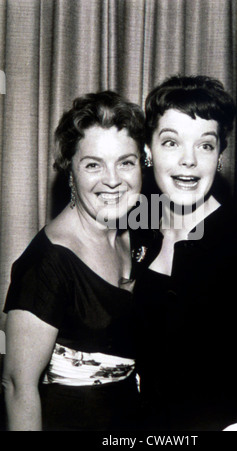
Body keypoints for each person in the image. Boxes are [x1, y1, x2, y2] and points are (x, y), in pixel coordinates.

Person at [134, 75, 237, 431]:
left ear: (220, 153)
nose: (188, 161)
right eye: (171, 143)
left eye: (205, 145)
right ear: (148, 150)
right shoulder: (136, 237)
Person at [2, 91, 146, 431]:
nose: (112, 180)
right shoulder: (48, 262)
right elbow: (17, 387)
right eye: (93, 164)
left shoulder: (137, 232)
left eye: (126, 162)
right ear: (70, 170)